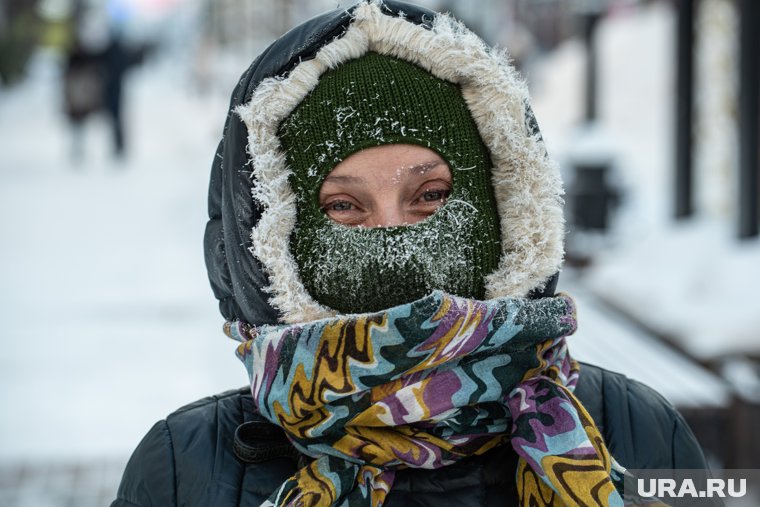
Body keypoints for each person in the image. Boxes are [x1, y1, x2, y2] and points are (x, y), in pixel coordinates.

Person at [112, 2, 713, 506]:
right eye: (344, 207)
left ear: (504, 209)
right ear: (274, 245)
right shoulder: (180, 469)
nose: (396, 242)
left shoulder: (641, 434)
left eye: (431, 195)